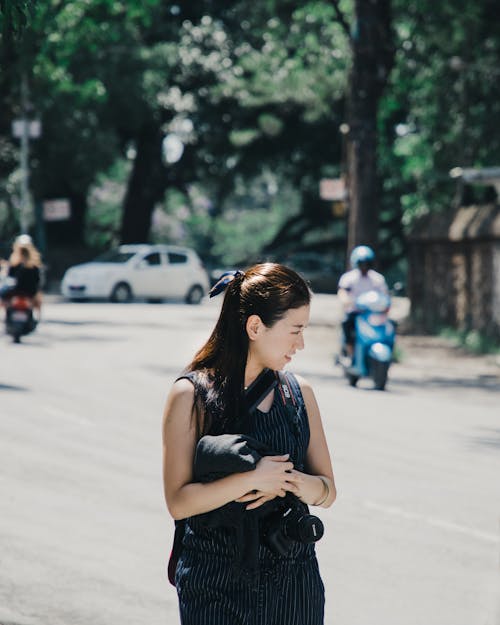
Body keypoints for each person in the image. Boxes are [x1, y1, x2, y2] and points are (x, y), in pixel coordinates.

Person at [162, 262, 336, 625]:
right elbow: (178, 503)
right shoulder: (189, 396)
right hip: (214, 585)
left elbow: (328, 490)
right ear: (255, 327)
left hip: (295, 584)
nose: (301, 344)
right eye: (295, 330)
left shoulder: (299, 394)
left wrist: (294, 483)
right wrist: (252, 480)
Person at [337, 245, 389, 359]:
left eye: (367, 264)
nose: (364, 267)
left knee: (389, 326)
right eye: (362, 263)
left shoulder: (377, 279)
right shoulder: (349, 278)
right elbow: (343, 292)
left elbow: (384, 295)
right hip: (355, 312)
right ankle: (349, 351)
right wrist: (346, 300)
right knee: (346, 322)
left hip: (372, 313)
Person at [0, 235, 43, 314]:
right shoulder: (34, 265)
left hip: (17, 290)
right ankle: (39, 317)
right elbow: (38, 281)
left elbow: (9, 277)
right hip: (30, 292)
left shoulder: (15, 263)